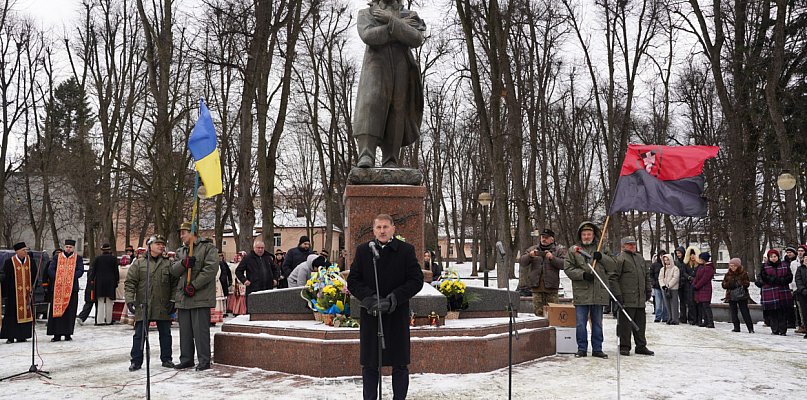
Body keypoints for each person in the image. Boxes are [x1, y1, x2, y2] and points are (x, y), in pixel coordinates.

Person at [347, 214, 423, 400]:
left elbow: (416, 280)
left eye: (385, 227)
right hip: (372, 315)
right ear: (373, 230)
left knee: (400, 364)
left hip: (396, 315)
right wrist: (370, 299)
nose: (382, 231)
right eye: (378, 227)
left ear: (393, 229)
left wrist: (395, 298)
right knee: (371, 365)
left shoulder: (406, 250)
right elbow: (353, 280)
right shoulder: (364, 251)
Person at [353, 0, 426, 169]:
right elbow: (369, 36)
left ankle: (391, 158)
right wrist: (398, 27)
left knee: (397, 110)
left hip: (402, 68)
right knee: (371, 104)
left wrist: (390, 20)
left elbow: (416, 38)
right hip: (376, 65)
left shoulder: (410, 15)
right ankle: (366, 154)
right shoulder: (366, 14)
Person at [170, 222, 219, 371]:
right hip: (184, 297)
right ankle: (186, 359)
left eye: (184, 232)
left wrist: (194, 285)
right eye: (180, 233)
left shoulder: (207, 248)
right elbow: (173, 271)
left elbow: (211, 269)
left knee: (200, 332)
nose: (181, 236)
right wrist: (183, 264)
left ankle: (204, 360)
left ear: (193, 233)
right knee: (185, 332)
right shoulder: (181, 251)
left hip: (200, 297)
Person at [125, 234, 178, 371]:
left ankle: (166, 358)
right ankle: (136, 361)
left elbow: (175, 284)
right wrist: (130, 299)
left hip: (163, 304)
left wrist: (173, 300)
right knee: (139, 334)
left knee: (165, 334)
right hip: (144, 303)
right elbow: (130, 283)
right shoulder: (139, 263)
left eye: (162, 244)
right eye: (158, 244)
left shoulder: (168, 263)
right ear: (150, 246)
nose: (161, 246)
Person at [563, 221, 614, 359]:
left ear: (593, 234)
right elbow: (568, 268)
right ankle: (582, 348)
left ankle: (597, 348)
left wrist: (602, 257)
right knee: (580, 323)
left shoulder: (602, 248)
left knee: (597, 322)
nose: (586, 236)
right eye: (584, 234)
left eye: (589, 234)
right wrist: (582, 275)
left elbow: (613, 266)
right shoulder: (574, 250)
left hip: (598, 291)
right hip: (581, 292)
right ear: (581, 235)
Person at [611, 236, 654, 356]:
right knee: (625, 324)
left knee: (640, 324)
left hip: (640, 298)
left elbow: (646, 275)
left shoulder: (640, 258)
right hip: (626, 298)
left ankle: (641, 345)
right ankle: (625, 346)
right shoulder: (620, 259)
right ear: (623, 246)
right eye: (629, 244)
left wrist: (648, 289)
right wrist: (618, 294)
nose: (632, 246)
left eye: (634, 244)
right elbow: (613, 277)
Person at [520, 229, 565, 317]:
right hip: (537, 288)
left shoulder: (558, 250)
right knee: (538, 315)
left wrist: (552, 258)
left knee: (553, 315)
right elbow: (522, 262)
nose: (544, 239)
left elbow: (564, 264)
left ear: (552, 239)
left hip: (551, 289)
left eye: (546, 238)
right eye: (542, 237)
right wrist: (530, 256)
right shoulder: (533, 249)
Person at [47, 239, 84, 342]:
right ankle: (56, 334)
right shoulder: (57, 257)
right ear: (64, 247)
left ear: (73, 248)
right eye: (67, 247)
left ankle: (68, 333)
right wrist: (59, 278)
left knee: (70, 312)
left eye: (70, 247)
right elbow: (50, 269)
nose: (68, 249)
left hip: (72, 289)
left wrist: (70, 278)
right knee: (57, 311)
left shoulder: (78, 258)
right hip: (58, 288)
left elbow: (80, 270)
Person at [1, 242, 37, 344]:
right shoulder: (9, 262)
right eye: (23, 250)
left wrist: (33, 288)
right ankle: (10, 336)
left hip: (27, 293)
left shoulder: (31, 262)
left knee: (26, 313)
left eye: (26, 250)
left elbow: (34, 276)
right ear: (17, 251)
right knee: (12, 315)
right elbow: (6, 278)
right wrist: (6, 293)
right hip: (13, 295)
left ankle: (22, 336)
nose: (26, 252)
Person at [235, 238, 279, 310]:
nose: (260, 250)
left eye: (262, 248)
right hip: (254, 288)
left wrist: (275, 279)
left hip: (268, 288)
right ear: (254, 248)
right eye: (258, 248)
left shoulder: (268, 257)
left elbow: (275, 269)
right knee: (255, 309)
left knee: (268, 309)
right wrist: (244, 280)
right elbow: (238, 271)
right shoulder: (248, 258)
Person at [758, 249, 793, 336]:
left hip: (782, 290)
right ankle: (775, 329)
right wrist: (771, 279)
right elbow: (763, 276)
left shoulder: (784, 265)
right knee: (772, 312)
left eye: (775, 256)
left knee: (782, 311)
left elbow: (789, 277)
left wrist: (782, 280)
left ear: (778, 257)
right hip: (770, 290)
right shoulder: (764, 266)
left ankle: (783, 330)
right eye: (771, 257)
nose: (773, 258)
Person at [88, 243, 119, 325]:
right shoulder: (113, 259)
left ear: (102, 250)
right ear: (109, 250)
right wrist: (116, 281)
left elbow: (93, 271)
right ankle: (109, 320)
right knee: (109, 302)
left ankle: (100, 320)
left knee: (100, 301)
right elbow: (116, 272)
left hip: (100, 282)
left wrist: (91, 280)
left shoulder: (97, 259)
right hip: (110, 282)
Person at [722, 258, 754, 333]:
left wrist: (738, 284)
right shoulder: (728, 274)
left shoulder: (743, 273)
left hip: (742, 296)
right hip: (731, 295)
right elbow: (723, 284)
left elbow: (747, 283)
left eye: (734, 266)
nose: (732, 267)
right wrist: (729, 284)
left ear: (738, 266)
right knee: (733, 312)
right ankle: (736, 327)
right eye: (731, 266)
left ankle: (750, 328)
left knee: (745, 312)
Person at [693, 252, 715, 328]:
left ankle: (710, 322)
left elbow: (704, 279)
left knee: (706, 306)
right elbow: (697, 276)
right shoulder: (701, 267)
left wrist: (697, 286)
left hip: (705, 289)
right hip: (700, 289)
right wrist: (694, 283)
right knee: (702, 306)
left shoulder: (709, 268)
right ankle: (705, 321)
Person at [681, 245, 701, 325]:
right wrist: (689, 277)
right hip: (688, 285)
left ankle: (696, 319)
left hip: (696, 285)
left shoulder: (698, 265)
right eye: (691, 255)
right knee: (690, 303)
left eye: (694, 255)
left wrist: (695, 278)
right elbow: (683, 272)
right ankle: (691, 319)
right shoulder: (686, 264)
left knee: (696, 302)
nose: (692, 257)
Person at [658, 254, 680, 325]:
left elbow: (675, 278)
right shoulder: (662, 269)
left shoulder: (675, 268)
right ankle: (670, 317)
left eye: (667, 260)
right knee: (667, 304)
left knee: (674, 304)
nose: (666, 261)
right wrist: (663, 286)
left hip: (673, 288)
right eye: (664, 260)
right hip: (664, 289)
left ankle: (675, 319)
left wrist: (668, 285)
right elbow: (660, 278)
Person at [789, 245, 805, 334]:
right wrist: (791, 288)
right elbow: (792, 276)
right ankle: (801, 325)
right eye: (799, 251)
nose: (800, 252)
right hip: (796, 288)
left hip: (804, 287)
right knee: (799, 308)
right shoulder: (793, 263)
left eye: (802, 251)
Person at [650, 250, 668, 323]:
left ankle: (665, 317)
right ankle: (658, 316)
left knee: (665, 303)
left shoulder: (667, 265)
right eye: (660, 255)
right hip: (657, 286)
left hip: (665, 286)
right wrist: (653, 283)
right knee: (658, 302)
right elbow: (651, 275)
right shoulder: (654, 265)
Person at [114, 255, 132, 323]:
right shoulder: (130, 268)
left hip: (118, 285)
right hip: (126, 285)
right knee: (123, 301)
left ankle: (116, 316)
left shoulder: (118, 268)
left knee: (117, 301)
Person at [794, 254, 807, 339]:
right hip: (803, 294)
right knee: (805, 313)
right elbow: (798, 280)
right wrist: (803, 290)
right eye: (805, 258)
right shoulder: (800, 269)